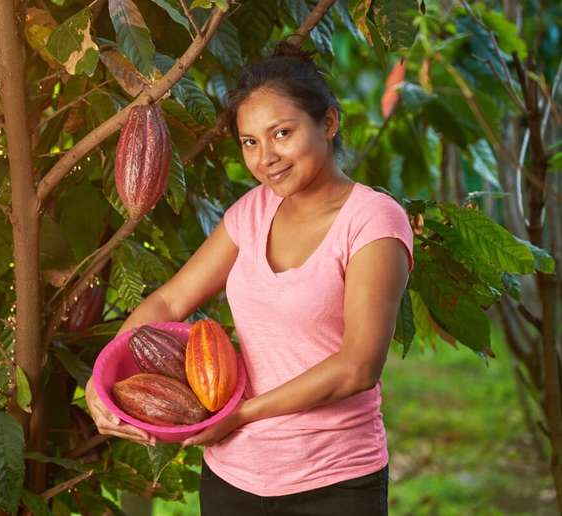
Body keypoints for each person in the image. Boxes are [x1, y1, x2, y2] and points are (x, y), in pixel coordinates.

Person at [85, 41, 414, 515]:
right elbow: (169, 302)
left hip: (333, 480)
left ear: (328, 123)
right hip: (233, 476)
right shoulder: (251, 212)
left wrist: (241, 415)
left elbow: (358, 367)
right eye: (250, 142)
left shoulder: (372, 220)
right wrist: (102, 379)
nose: (266, 157)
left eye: (282, 133)